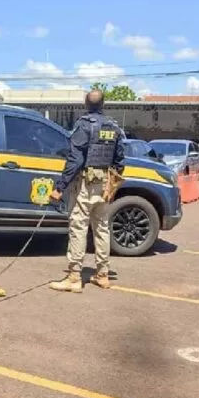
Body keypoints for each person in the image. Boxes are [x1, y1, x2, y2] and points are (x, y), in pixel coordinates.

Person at [48, 89, 125, 293]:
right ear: (103, 104)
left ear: (86, 104)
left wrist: (59, 187)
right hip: (104, 184)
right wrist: (112, 185)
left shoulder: (83, 126)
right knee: (101, 228)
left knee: (78, 227)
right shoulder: (114, 127)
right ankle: (102, 274)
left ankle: (74, 277)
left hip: (85, 184)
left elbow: (75, 160)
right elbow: (119, 161)